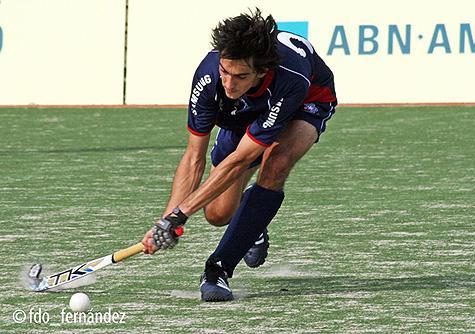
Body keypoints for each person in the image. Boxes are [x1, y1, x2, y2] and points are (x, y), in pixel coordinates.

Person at [141, 8, 337, 302]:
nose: (229, 84)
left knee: (276, 162)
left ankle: (217, 269)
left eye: (240, 75)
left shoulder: (289, 79)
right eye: (225, 71)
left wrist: (180, 215)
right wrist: (166, 220)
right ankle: (252, 223)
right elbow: (194, 157)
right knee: (218, 214)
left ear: (261, 71)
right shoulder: (209, 77)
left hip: (305, 104)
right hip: (245, 112)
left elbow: (241, 160)